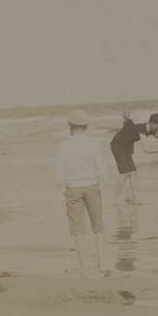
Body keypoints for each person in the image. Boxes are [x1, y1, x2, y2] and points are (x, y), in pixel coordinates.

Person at [55, 110, 109, 277]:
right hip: (92, 186)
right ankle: (101, 261)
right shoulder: (93, 144)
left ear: (69, 126)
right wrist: (101, 185)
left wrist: (63, 189)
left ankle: (84, 267)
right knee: (98, 227)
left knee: (78, 230)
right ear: (87, 126)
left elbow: (59, 170)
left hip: (73, 188)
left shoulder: (63, 145)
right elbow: (101, 168)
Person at [110, 111, 158, 204]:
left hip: (126, 146)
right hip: (117, 145)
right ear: (152, 123)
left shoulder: (152, 130)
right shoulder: (142, 130)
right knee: (125, 173)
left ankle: (136, 199)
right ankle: (116, 199)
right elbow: (146, 150)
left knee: (133, 173)